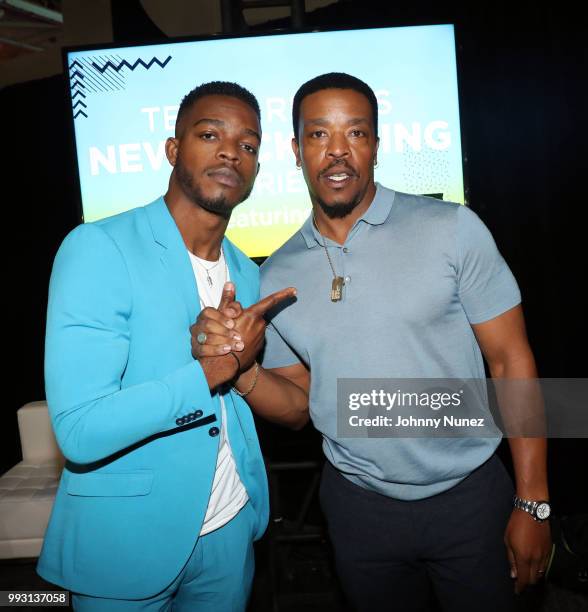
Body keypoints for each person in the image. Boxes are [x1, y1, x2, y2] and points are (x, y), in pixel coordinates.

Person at [197, 73, 552, 611]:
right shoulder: (279, 274)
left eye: (356, 134)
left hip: (471, 499)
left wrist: (535, 501)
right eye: (318, 135)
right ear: (296, 151)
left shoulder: (453, 228)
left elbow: (511, 361)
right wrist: (242, 369)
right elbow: (298, 404)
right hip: (358, 510)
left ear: (377, 146)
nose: (337, 153)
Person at [37, 81, 294, 611]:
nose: (231, 151)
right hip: (125, 541)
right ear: (173, 151)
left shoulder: (247, 273)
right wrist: (206, 374)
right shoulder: (100, 247)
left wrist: (242, 372)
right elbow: (80, 430)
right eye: (210, 134)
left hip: (228, 530)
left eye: (248, 145)